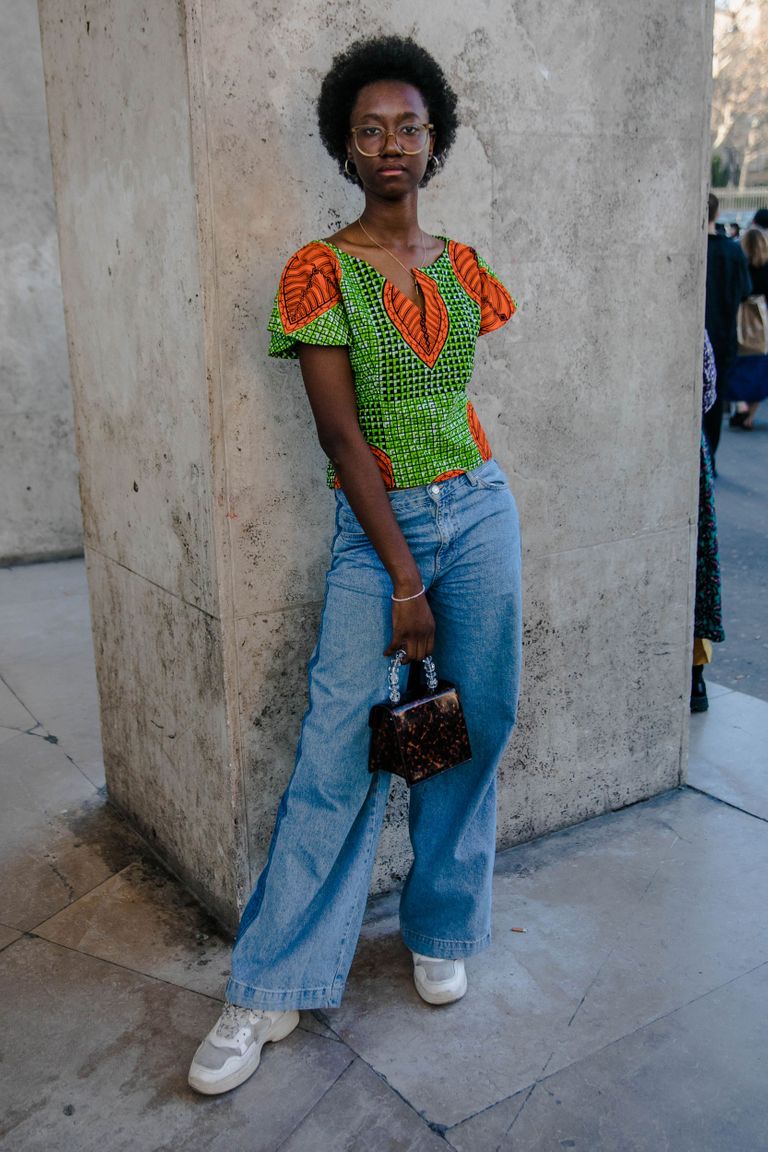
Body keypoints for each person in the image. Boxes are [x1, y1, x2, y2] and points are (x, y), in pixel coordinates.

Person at [188, 35, 522, 1096]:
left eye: (409, 127)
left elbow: (449, 401)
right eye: (370, 128)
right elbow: (342, 439)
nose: (391, 144)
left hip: (481, 510)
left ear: (435, 144)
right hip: (380, 537)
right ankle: (269, 982)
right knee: (335, 754)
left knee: (478, 723)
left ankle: (441, 924)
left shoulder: (464, 267)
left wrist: (446, 553)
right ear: (344, 145)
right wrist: (406, 581)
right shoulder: (317, 271)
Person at [703, 192, 752, 467]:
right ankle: (710, 459)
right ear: (717, 214)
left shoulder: (693, 250)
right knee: (714, 399)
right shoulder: (733, 252)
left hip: (699, 338)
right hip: (723, 336)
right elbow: (745, 291)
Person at [691, 331, 725, 712]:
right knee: (698, 565)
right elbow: (707, 387)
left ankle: (694, 675)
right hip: (688, 445)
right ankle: (694, 675)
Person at [728, 226, 768, 429]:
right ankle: (750, 416)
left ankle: (740, 405)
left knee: (736, 365)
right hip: (763, 322)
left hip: (740, 319)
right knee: (762, 370)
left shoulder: (740, 263)